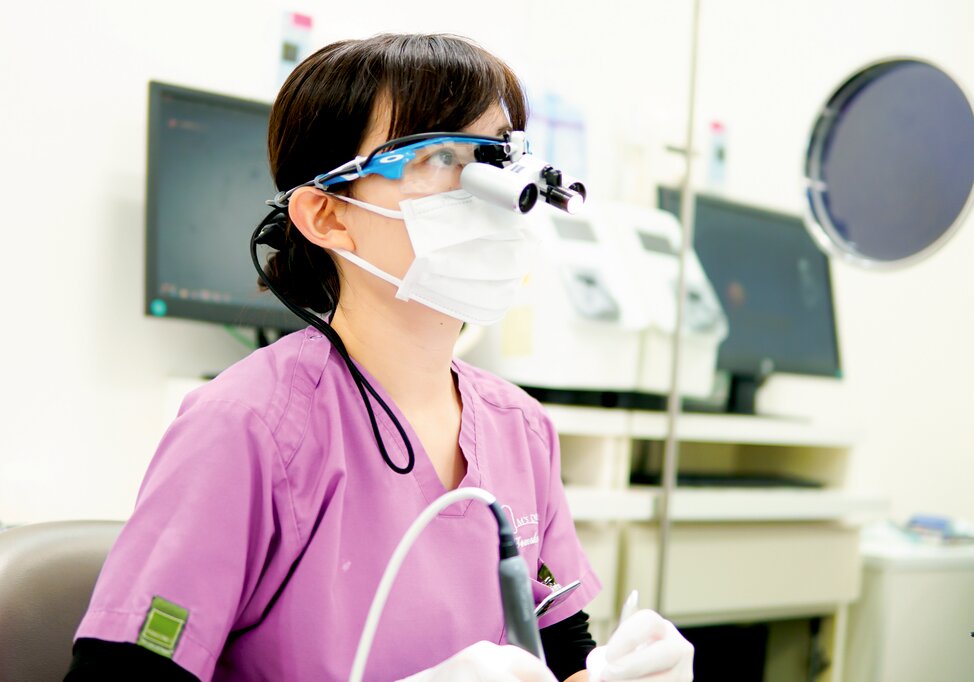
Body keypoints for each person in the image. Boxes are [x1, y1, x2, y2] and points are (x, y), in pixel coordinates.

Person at [66, 33, 693, 681]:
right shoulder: (245, 426)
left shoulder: (520, 428)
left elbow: (564, 653)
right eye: (443, 155)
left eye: (501, 156)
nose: (494, 189)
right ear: (329, 217)